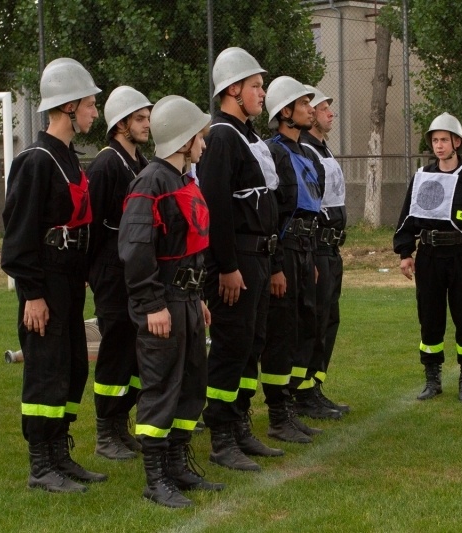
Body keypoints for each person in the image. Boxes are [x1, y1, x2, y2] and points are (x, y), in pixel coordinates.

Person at [1, 58, 107, 493]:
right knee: (45, 371)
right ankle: (41, 464)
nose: (95, 111)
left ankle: (61, 453)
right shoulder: (35, 160)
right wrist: (33, 294)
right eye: (90, 103)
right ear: (68, 107)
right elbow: (20, 235)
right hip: (44, 285)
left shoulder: (68, 158)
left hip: (68, 283)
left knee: (72, 370)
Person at [118, 95, 224, 508]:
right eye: (200, 135)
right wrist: (151, 305)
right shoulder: (151, 182)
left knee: (191, 386)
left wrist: (196, 298)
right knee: (161, 387)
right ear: (183, 139)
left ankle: (178, 465)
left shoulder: (184, 180)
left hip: (187, 300)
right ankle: (155, 478)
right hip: (162, 303)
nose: (204, 142)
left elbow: (189, 246)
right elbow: (136, 249)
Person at [197, 47, 284, 472]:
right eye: (255, 85)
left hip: (259, 257)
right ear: (233, 89)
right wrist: (227, 267)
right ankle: (220, 437)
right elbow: (215, 207)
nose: (262, 92)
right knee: (231, 347)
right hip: (238, 260)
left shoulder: (247, 135)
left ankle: (240, 424)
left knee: (252, 344)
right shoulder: (220, 136)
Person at [393, 113, 462, 402]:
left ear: (457, 142)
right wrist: (405, 252)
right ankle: (432, 379)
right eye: (435, 140)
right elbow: (408, 217)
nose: (439, 146)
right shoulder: (422, 177)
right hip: (428, 256)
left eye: (444, 140)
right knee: (430, 317)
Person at [86, 86, 152, 460]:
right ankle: (105, 432)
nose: (146, 125)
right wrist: (97, 274)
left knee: (134, 352)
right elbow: (92, 227)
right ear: (120, 124)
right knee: (113, 351)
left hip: (134, 270)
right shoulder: (106, 164)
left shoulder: (140, 162)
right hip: (112, 272)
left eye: (146, 118)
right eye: (139, 119)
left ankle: (121, 425)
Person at [263, 76, 327, 443]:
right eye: (303, 104)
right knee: (282, 332)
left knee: (306, 325)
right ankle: (277, 414)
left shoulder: (307, 154)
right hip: (284, 251)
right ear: (285, 112)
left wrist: (314, 257)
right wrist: (274, 265)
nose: (309, 109)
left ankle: (292, 405)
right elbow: (271, 212)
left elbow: (313, 211)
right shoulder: (273, 152)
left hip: (306, 251)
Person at [298, 85, 350, 419]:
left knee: (329, 319)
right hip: (316, 247)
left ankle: (316, 387)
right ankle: (303, 394)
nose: (330, 113)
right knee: (312, 321)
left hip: (331, 247)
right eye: (323, 107)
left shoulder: (324, 149)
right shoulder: (304, 151)